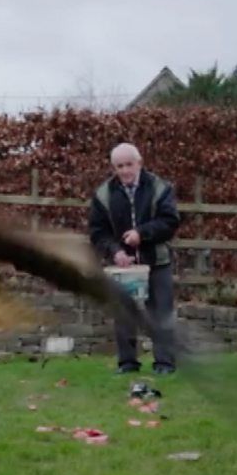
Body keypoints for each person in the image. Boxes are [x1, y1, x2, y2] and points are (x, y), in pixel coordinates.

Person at [88, 142, 181, 375]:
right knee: (123, 314)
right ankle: (127, 363)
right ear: (114, 168)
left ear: (139, 163)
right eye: (119, 166)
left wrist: (142, 233)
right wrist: (115, 251)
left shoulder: (160, 188)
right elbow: (98, 232)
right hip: (123, 266)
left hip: (157, 262)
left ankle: (164, 363)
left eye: (129, 164)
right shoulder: (103, 195)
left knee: (161, 312)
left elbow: (170, 221)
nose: (125, 171)